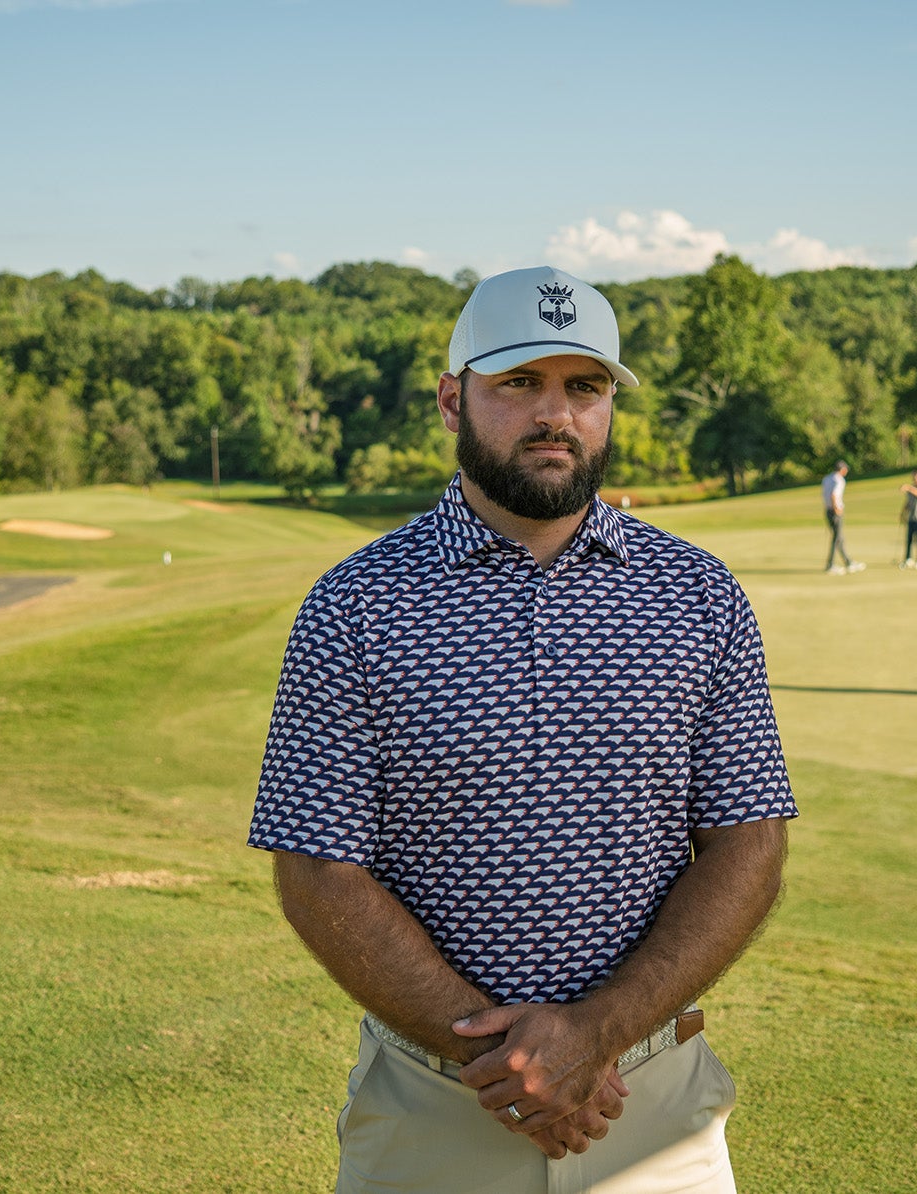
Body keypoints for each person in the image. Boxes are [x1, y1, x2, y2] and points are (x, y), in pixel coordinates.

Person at [248, 265, 796, 1194]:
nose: (556, 413)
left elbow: (749, 839)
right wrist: (516, 1064)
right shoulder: (356, 604)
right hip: (432, 1110)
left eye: (584, 387)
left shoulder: (700, 596)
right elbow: (316, 865)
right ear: (451, 398)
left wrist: (596, 1034)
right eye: (518, 383)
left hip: (652, 1108)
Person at [821, 459, 864, 573]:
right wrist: (837, 509)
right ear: (842, 469)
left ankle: (848, 562)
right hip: (835, 511)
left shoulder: (826, 478)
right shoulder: (839, 480)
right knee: (837, 538)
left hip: (827, 510)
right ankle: (830, 565)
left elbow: (825, 494)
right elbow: (834, 495)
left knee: (839, 537)